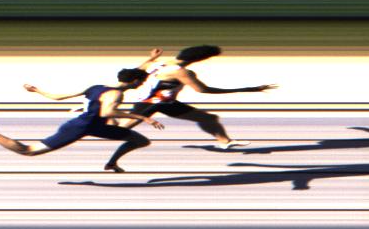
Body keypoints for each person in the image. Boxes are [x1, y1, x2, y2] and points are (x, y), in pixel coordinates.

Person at [0, 60, 166, 173]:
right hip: (80, 127)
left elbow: (59, 97)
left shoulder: (96, 87)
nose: (141, 85)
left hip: (96, 127)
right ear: (134, 81)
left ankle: (112, 163)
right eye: (141, 82)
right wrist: (143, 118)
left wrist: (37, 90)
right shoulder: (116, 95)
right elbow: (107, 112)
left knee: (140, 140)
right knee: (29, 151)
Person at [118, 45, 277, 150]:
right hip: (148, 103)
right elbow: (203, 90)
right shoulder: (181, 72)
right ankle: (102, 131)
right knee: (120, 130)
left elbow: (138, 69)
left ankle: (225, 142)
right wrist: (246, 89)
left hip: (167, 103)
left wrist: (151, 58)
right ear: (199, 59)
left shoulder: (159, 63)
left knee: (209, 119)